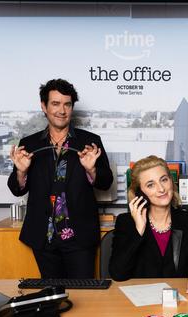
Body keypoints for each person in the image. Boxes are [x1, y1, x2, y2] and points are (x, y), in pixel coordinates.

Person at [8, 79, 113, 279]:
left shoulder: (90, 141)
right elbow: (17, 189)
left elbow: (106, 182)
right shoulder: (29, 144)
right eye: (55, 104)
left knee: (84, 295)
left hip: (79, 236)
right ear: (44, 106)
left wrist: (91, 170)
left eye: (67, 104)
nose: (62, 110)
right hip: (43, 235)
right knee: (52, 296)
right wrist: (21, 172)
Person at [109, 155, 188, 300]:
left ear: (171, 181)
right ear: (140, 194)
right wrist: (139, 230)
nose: (161, 189)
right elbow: (118, 274)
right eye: (150, 185)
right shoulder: (126, 223)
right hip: (138, 303)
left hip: (182, 301)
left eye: (164, 180)